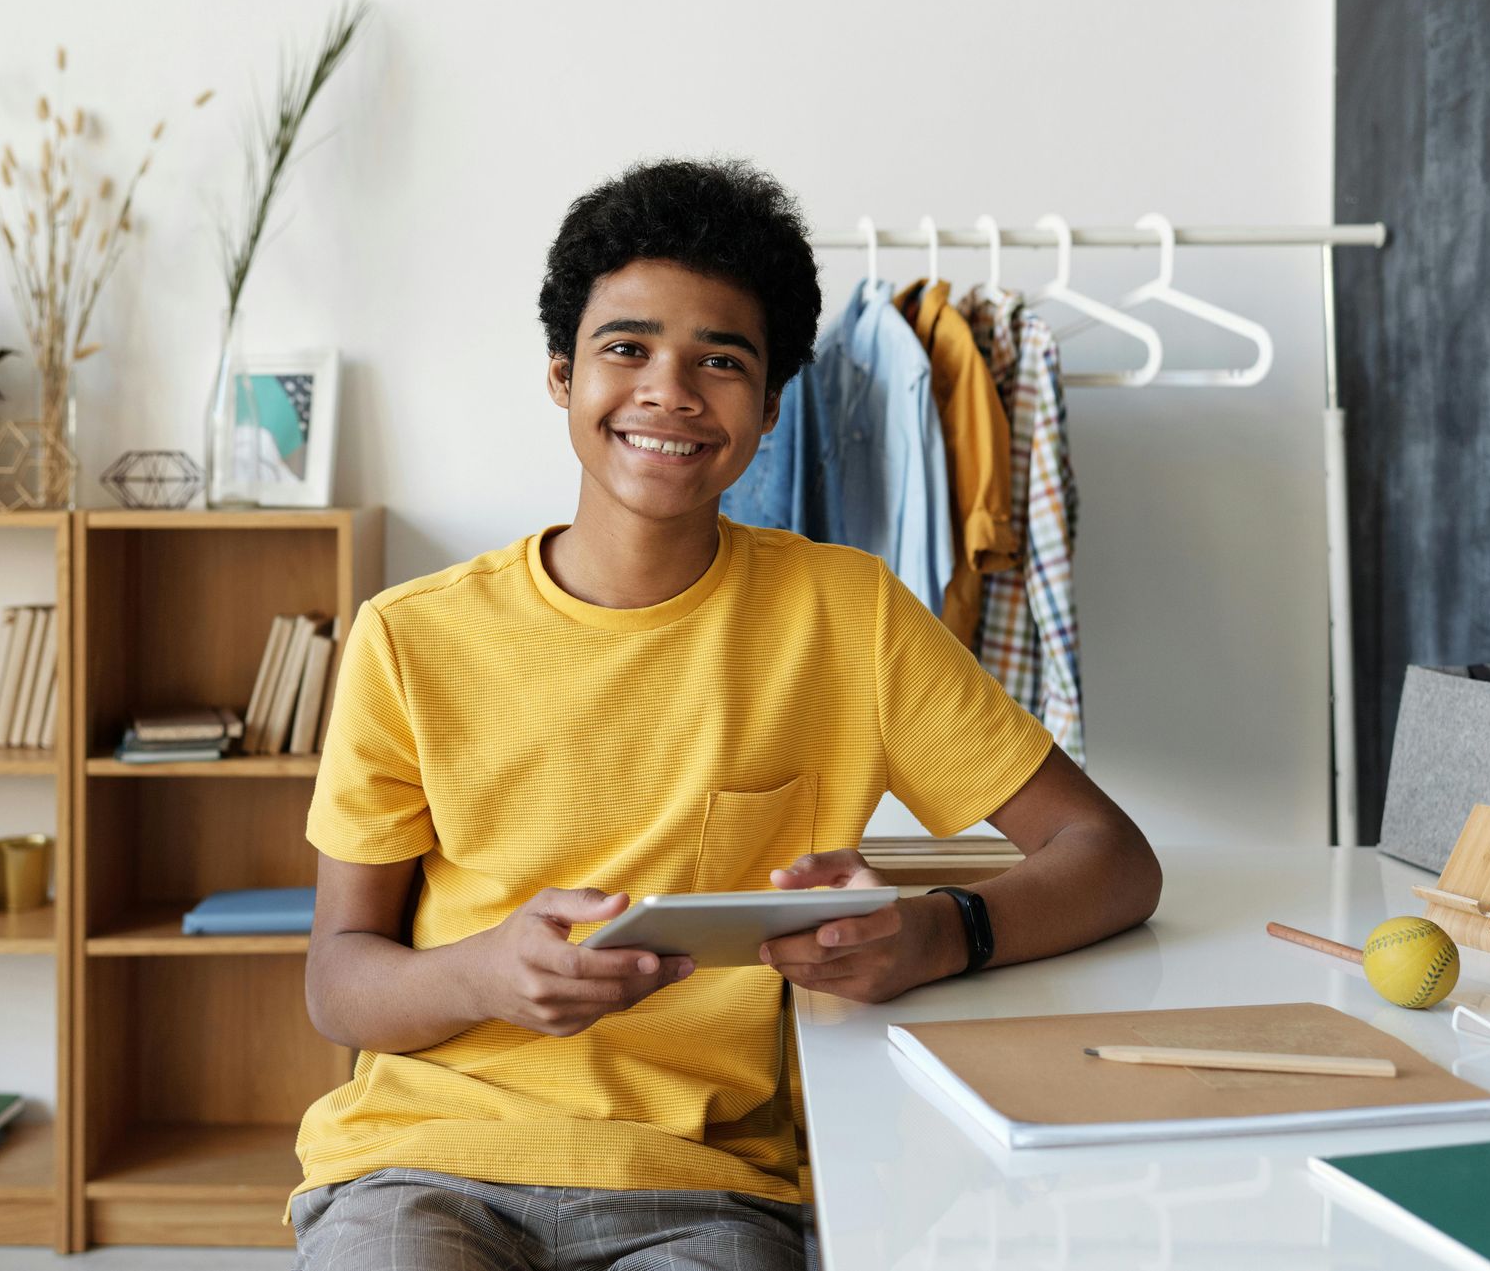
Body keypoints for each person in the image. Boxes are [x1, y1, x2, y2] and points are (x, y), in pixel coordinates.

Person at [287, 157, 1162, 1271]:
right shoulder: (410, 638)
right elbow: (338, 980)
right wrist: (480, 973)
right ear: (561, 375)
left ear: (772, 405)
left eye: (722, 361)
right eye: (627, 349)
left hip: (708, 1191)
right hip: (420, 1165)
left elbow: (1112, 860)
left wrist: (934, 933)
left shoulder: (849, 615)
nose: (671, 391)